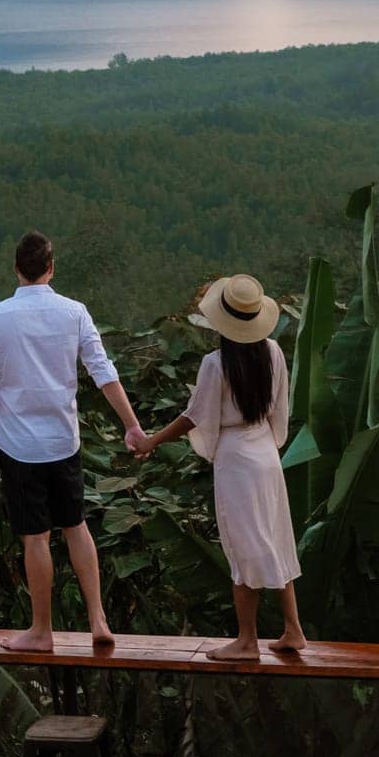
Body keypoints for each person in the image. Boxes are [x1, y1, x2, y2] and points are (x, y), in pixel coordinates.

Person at [0, 229, 146, 652]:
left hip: (19, 447)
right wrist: (132, 425)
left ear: (15, 269)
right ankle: (98, 618)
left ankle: (41, 630)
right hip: (65, 442)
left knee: (36, 537)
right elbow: (103, 371)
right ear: (51, 267)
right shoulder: (74, 312)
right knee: (76, 526)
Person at [132, 273, 306, 661]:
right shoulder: (273, 352)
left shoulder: (216, 363)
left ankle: (247, 640)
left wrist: (151, 441)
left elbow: (194, 416)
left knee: (243, 547)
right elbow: (280, 408)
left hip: (237, 462)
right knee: (275, 537)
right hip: (266, 454)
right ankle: (293, 628)